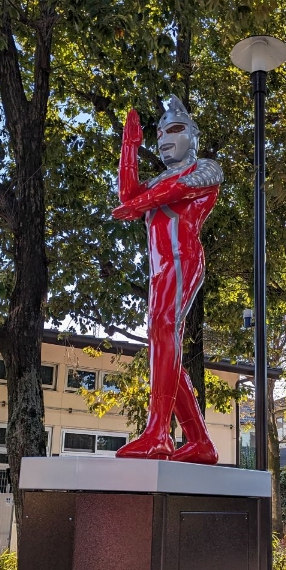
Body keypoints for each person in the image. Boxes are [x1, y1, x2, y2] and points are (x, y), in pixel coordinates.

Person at [111, 98, 222, 464]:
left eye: (173, 130)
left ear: (193, 135)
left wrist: (139, 205)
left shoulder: (206, 168)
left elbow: (177, 192)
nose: (163, 139)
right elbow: (128, 195)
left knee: (162, 330)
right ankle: (199, 441)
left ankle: (158, 432)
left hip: (183, 258)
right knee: (163, 341)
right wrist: (129, 147)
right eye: (159, 133)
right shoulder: (158, 178)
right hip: (160, 267)